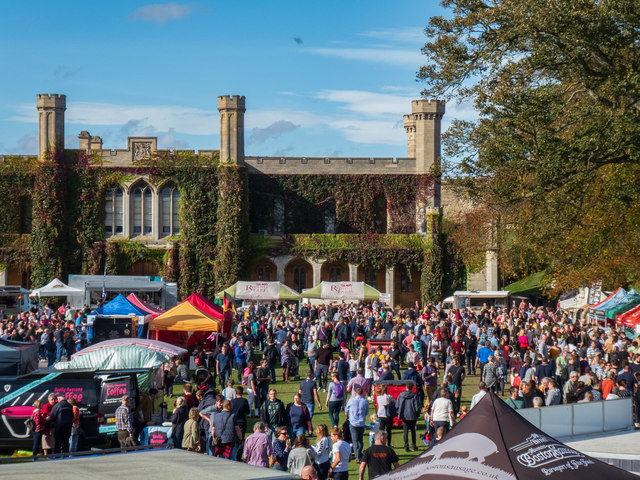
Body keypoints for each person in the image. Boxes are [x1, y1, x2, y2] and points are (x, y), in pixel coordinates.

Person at [345, 386, 369, 462]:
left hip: (353, 422)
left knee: (355, 440)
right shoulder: (365, 401)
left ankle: (357, 456)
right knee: (360, 440)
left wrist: (348, 415)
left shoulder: (351, 400)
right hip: (361, 422)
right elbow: (366, 412)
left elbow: (346, 410)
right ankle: (358, 454)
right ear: (362, 393)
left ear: (355, 393)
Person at [397, 382, 421, 452]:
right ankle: (414, 445)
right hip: (412, 415)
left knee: (405, 431)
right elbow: (417, 407)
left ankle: (406, 446)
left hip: (404, 415)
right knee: (413, 431)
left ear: (406, 387)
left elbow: (397, 405)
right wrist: (417, 414)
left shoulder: (401, 395)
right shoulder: (414, 396)